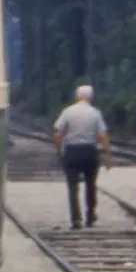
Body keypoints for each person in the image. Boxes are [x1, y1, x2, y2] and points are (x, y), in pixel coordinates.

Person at [52, 85, 112, 229]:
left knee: (72, 186)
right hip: (89, 151)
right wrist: (108, 155)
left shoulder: (68, 112)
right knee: (91, 185)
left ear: (77, 96)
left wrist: (59, 151)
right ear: (91, 97)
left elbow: (58, 134)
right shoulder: (95, 113)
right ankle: (90, 216)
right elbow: (102, 135)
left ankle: (75, 219)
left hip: (72, 151)